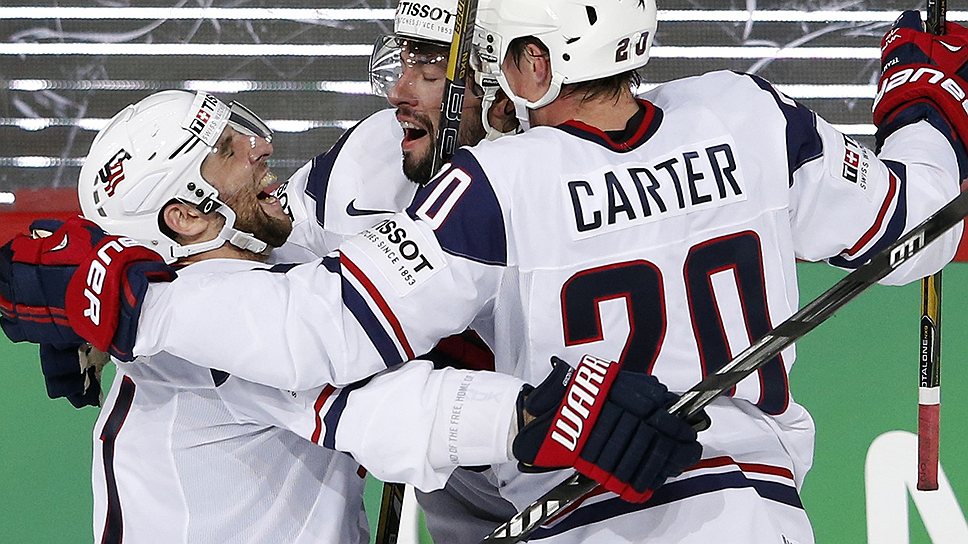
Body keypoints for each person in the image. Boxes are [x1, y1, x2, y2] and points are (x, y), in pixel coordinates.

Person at [5, 3, 965, 543]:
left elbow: (309, 333)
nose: (403, 90)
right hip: (636, 513)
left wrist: (135, 300)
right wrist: (929, 106)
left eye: (437, 62)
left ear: (518, 65)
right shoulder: (748, 113)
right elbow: (921, 227)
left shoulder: (491, 182)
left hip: (575, 514)